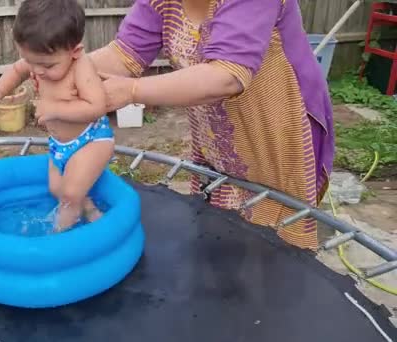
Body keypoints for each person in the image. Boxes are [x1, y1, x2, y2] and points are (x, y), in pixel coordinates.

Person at [88, 0, 334, 250]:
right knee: (220, 231)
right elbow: (123, 53)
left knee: (271, 246)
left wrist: (132, 90)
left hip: (274, 134)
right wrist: (61, 70)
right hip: (218, 137)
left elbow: (226, 76)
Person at [0, 0, 113, 232]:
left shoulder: (81, 67)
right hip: (60, 144)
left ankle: (57, 238)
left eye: (47, 66)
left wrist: (54, 109)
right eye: (31, 61)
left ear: (75, 51)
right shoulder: (39, 59)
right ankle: (91, 211)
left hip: (90, 140)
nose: (37, 70)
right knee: (56, 189)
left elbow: (97, 107)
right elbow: (16, 70)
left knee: (70, 194)